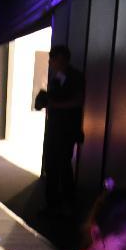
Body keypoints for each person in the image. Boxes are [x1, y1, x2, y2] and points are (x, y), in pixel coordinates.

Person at [35, 44, 84, 212]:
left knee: (63, 166)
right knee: (51, 165)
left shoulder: (76, 76)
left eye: (52, 60)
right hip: (54, 129)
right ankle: (52, 205)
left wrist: (53, 103)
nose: (50, 63)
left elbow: (78, 101)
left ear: (61, 59)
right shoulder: (56, 78)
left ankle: (68, 205)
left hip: (67, 130)